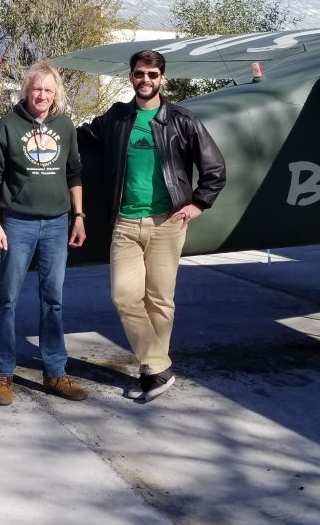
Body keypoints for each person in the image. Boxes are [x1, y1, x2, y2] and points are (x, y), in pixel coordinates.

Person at [78, 49, 225, 402]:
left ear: (162, 78)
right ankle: (159, 365)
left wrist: (198, 203)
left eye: (152, 75)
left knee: (161, 300)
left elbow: (215, 169)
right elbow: (79, 138)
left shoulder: (182, 120)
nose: (145, 80)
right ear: (131, 76)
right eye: (139, 74)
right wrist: (45, 134)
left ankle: (150, 372)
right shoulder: (115, 118)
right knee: (124, 296)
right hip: (126, 222)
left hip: (167, 223)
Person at [0, 61, 88, 406]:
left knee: (53, 301)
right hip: (17, 224)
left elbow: (74, 173)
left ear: (55, 93)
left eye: (47, 89)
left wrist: (79, 216)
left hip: (57, 224)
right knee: (7, 300)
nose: (41, 95)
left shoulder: (65, 126)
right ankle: (3, 373)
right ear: (26, 91)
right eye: (36, 88)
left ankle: (55, 372)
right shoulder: (9, 125)